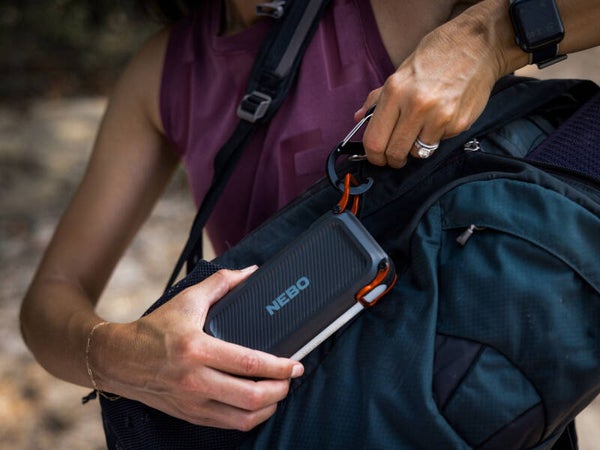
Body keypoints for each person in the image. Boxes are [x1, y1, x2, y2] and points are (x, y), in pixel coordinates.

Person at [20, 0, 600, 435]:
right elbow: (53, 293)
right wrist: (120, 356)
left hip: (457, 399)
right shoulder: (162, 70)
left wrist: (486, 38)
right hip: (292, 424)